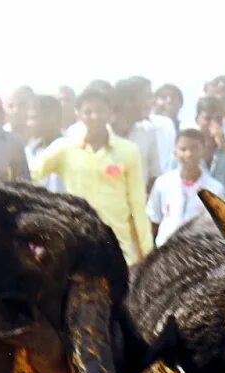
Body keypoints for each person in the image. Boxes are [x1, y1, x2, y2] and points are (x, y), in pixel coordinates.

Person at [32, 83, 152, 264]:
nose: (94, 116)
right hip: (79, 240)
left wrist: (146, 250)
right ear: (79, 114)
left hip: (119, 244)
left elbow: (137, 203)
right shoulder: (65, 148)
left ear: (110, 113)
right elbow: (30, 174)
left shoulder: (128, 151)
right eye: (88, 111)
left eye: (100, 111)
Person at [148, 129, 222, 247]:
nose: (189, 154)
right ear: (175, 152)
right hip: (165, 249)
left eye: (194, 149)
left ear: (203, 150)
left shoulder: (215, 189)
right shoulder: (163, 183)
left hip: (196, 251)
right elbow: (154, 219)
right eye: (183, 149)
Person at [25, 95, 66, 193]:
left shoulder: (73, 149)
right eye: (28, 118)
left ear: (53, 118)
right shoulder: (30, 151)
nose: (28, 123)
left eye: (33, 118)